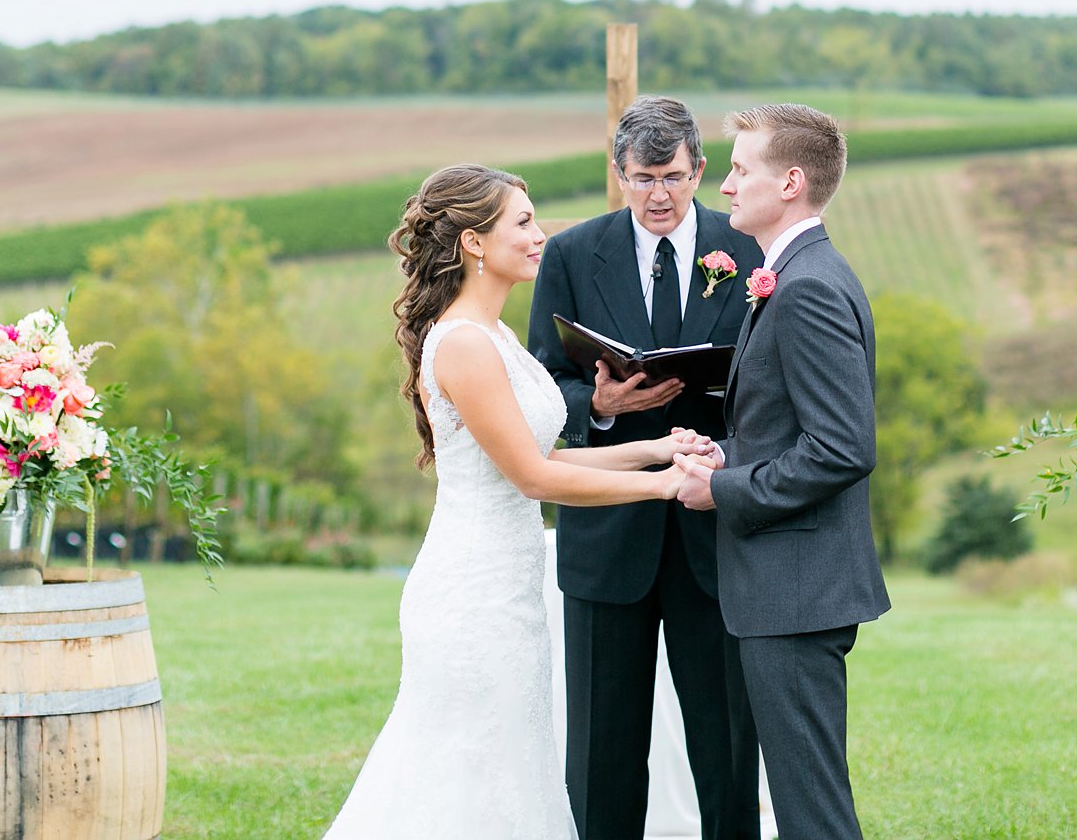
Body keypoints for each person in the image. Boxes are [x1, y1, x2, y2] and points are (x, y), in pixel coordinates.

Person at [326, 164, 718, 840]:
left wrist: (658, 450)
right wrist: (663, 487)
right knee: (462, 778)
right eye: (524, 222)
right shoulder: (467, 345)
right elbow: (534, 478)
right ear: (475, 242)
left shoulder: (498, 336)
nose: (541, 235)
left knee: (513, 770)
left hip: (512, 590)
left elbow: (546, 457)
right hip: (471, 596)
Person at [527, 96, 764, 840]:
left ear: (699, 168)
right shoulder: (571, 255)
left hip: (714, 538)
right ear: (617, 174)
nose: (658, 194)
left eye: (671, 176)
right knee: (601, 757)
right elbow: (544, 383)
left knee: (727, 752)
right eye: (641, 178)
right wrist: (595, 402)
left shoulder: (750, 250)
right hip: (607, 539)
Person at [672, 104, 888, 840]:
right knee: (804, 801)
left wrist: (722, 489)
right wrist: (725, 452)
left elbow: (842, 447)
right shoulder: (794, 272)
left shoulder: (808, 286)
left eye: (739, 169)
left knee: (812, 810)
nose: (724, 185)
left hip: (797, 590)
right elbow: (795, 429)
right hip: (790, 586)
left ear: (791, 181)